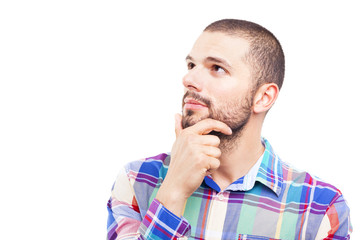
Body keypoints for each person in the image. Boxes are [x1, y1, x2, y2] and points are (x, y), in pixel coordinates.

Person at [106, 19, 352, 240]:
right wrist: (173, 192)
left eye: (217, 68)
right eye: (191, 64)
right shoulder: (138, 181)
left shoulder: (319, 208)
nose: (189, 79)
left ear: (263, 97)